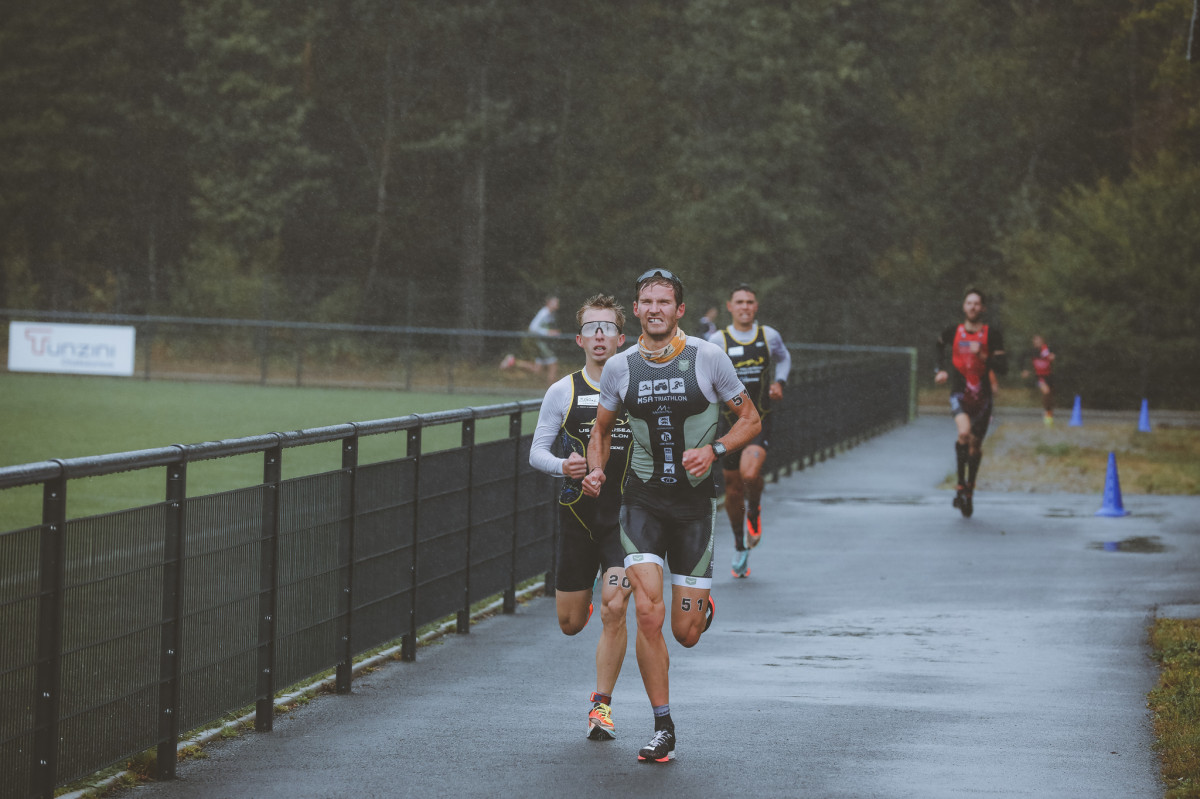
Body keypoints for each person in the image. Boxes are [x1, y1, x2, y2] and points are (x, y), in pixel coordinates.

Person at [583, 268, 761, 763]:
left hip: (693, 508)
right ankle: (663, 727)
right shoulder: (620, 367)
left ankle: (699, 608)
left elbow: (750, 419)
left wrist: (716, 450)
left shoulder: (708, 357)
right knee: (647, 611)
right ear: (636, 310)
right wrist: (596, 470)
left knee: (685, 633)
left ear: (679, 310)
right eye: (647, 301)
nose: (655, 309)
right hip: (641, 502)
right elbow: (601, 431)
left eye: (664, 301)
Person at [528, 294, 635, 742]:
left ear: (621, 339)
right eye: (592, 328)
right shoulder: (563, 391)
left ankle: (601, 707)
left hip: (626, 520)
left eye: (608, 327)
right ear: (579, 339)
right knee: (570, 624)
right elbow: (536, 452)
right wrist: (563, 466)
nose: (600, 335)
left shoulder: (637, 387)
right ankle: (585, 598)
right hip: (577, 517)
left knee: (616, 608)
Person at [707, 283, 792, 578]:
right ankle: (740, 545)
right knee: (732, 488)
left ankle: (754, 511)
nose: (745, 306)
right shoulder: (718, 340)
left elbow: (784, 358)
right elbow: (704, 373)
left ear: (756, 306)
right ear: (730, 306)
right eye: (739, 302)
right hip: (729, 424)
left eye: (750, 302)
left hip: (758, 418)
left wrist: (779, 382)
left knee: (750, 474)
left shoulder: (768, 336)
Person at [934, 288, 1007, 518]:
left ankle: (969, 491)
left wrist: (983, 356)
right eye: (969, 303)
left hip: (983, 398)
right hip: (960, 393)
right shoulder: (953, 331)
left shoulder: (992, 334)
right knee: (964, 433)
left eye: (977, 304)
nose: (972, 307)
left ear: (982, 308)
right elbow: (938, 345)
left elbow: (1004, 367)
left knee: (975, 446)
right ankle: (960, 485)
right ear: (963, 306)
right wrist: (940, 369)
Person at [500, 295, 560, 385]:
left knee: (537, 369)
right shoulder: (544, 313)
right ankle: (553, 388)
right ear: (548, 302)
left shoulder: (550, 314)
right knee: (553, 364)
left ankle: (513, 362)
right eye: (554, 302)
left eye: (557, 302)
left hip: (540, 343)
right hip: (538, 343)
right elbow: (533, 328)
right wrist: (548, 332)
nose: (557, 304)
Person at [1021, 334, 1056, 426]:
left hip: (1049, 376)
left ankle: (1048, 413)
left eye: (1039, 341)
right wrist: (1024, 370)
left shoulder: (1047, 349)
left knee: (1050, 397)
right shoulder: (1032, 351)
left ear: (1043, 341)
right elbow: (1022, 358)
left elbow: (1053, 356)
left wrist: (1051, 357)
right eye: (1035, 341)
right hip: (1039, 377)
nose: (1037, 343)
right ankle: (1047, 413)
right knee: (1046, 391)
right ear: (1033, 342)